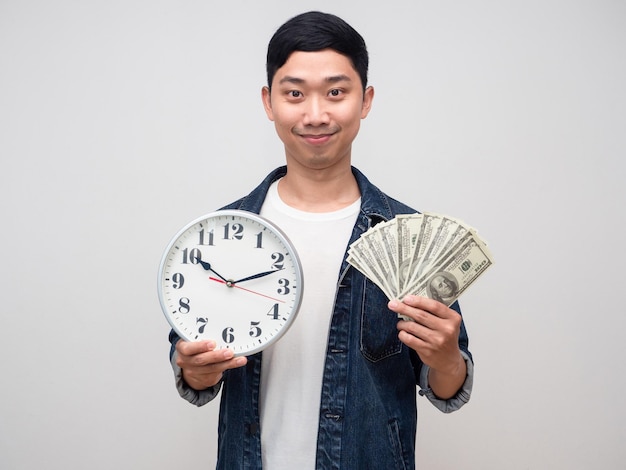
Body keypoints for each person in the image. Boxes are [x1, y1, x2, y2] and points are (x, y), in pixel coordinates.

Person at [168, 11, 474, 469]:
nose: (315, 114)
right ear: (269, 102)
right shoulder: (219, 235)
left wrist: (448, 358)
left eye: (336, 92)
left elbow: (447, 387)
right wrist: (191, 369)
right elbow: (192, 370)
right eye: (295, 94)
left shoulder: (405, 234)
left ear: (365, 100)